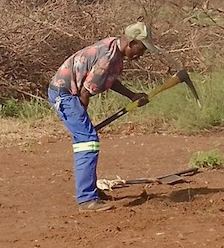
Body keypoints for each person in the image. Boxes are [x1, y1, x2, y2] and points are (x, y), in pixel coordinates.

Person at [48, 22, 151, 210]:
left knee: (87, 140)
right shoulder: (108, 58)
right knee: (87, 141)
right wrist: (82, 118)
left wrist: (132, 96)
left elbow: (108, 79)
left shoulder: (114, 49)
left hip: (68, 93)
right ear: (130, 42)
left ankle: (90, 190)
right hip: (65, 95)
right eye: (141, 49)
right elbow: (85, 94)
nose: (141, 54)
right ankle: (86, 199)